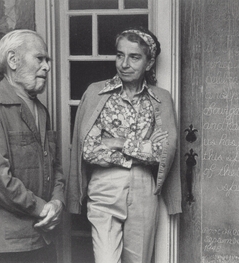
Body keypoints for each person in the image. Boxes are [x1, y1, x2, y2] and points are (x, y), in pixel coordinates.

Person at [67, 27, 182, 263]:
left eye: (134, 57)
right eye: (120, 55)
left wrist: (117, 142)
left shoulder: (160, 99)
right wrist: (144, 147)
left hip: (143, 188)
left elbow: (163, 154)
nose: (124, 64)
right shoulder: (97, 93)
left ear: (149, 63)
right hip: (104, 186)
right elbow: (89, 151)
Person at [0, 29, 65, 263]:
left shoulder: (40, 110)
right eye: (40, 58)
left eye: (47, 60)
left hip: (41, 237)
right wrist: (43, 208)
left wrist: (57, 202)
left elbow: (55, 165)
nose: (47, 67)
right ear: (13, 60)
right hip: (4, 246)